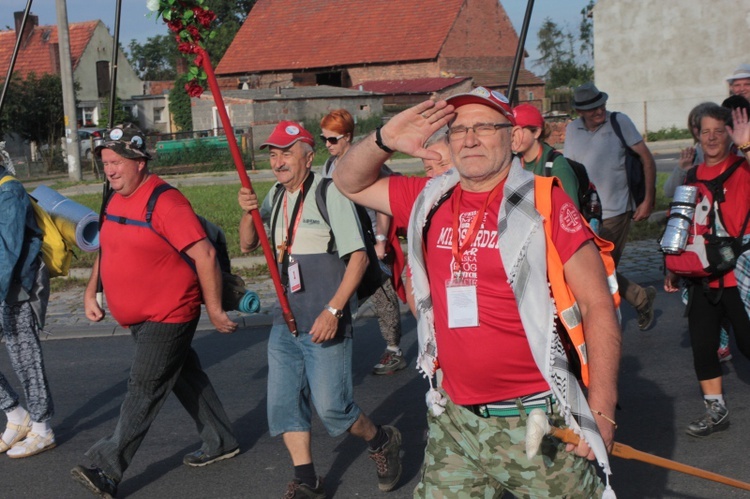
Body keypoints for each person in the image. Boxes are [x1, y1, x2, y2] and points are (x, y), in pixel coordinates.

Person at [333, 87, 621, 497]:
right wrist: (385, 139)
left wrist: (602, 410)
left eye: (485, 126)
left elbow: (597, 305)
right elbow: (348, 181)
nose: (469, 138)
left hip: (537, 420)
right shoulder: (429, 199)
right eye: (459, 128)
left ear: (513, 135)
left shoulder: (546, 203)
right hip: (454, 420)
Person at [71, 124, 240, 498]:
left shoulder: (166, 202)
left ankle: (107, 467)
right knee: (182, 374)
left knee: (144, 386)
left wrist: (213, 309)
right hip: (138, 315)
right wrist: (90, 291)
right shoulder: (114, 195)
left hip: (170, 313)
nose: (110, 170)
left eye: (115, 162)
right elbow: (107, 247)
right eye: (105, 163)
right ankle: (221, 439)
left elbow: (205, 254)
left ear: (139, 162)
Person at [238, 121, 402, 498]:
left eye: (286, 152)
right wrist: (248, 212)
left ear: (308, 157)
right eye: (273, 153)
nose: (278, 161)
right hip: (286, 319)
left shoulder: (331, 193)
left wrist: (333, 311)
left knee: (333, 409)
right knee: (283, 405)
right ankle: (308, 478)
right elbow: (248, 244)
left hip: (325, 317)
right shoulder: (275, 195)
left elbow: (359, 259)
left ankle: (381, 441)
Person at [664, 105, 750, 437]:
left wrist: (747, 145)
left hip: (739, 276)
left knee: (746, 341)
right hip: (702, 276)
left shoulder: (743, 167)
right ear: (697, 135)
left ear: (730, 132)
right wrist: (672, 265)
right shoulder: (691, 175)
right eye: (706, 131)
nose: (712, 137)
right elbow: (680, 223)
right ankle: (715, 409)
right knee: (703, 344)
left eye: (719, 130)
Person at [320, 109, 407, 375]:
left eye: (333, 139)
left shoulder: (367, 162)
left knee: (382, 295)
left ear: (348, 137)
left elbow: (385, 203)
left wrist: (380, 241)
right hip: (345, 240)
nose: (327, 144)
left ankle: (393, 350)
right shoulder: (329, 165)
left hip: (371, 238)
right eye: (323, 138)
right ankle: (336, 346)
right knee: (344, 294)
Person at [565, 82, 658, 330]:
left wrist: (648, 199)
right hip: (586, 213)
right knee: (597, 269)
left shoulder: (620, 122)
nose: (600, 112)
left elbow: (647, 159)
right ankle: (640, 298)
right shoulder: (572, 129)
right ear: (579, 112)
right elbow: (571, 171)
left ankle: (598, 328)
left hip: (616, 211)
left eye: (601, 105)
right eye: (593, 109)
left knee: (598, 270)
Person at [0, 161, 55, 459]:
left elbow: (6, 252)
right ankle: (15, 415)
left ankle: (42, 428)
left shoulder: (9, 190)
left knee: (25, 358)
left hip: (17, 287)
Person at [512, 103, 580, 206]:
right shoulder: (513, 163)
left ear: (536, 132)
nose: (513, 137)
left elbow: (571, 212)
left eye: (519, 131)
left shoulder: (558, 166)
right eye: (511, 131)